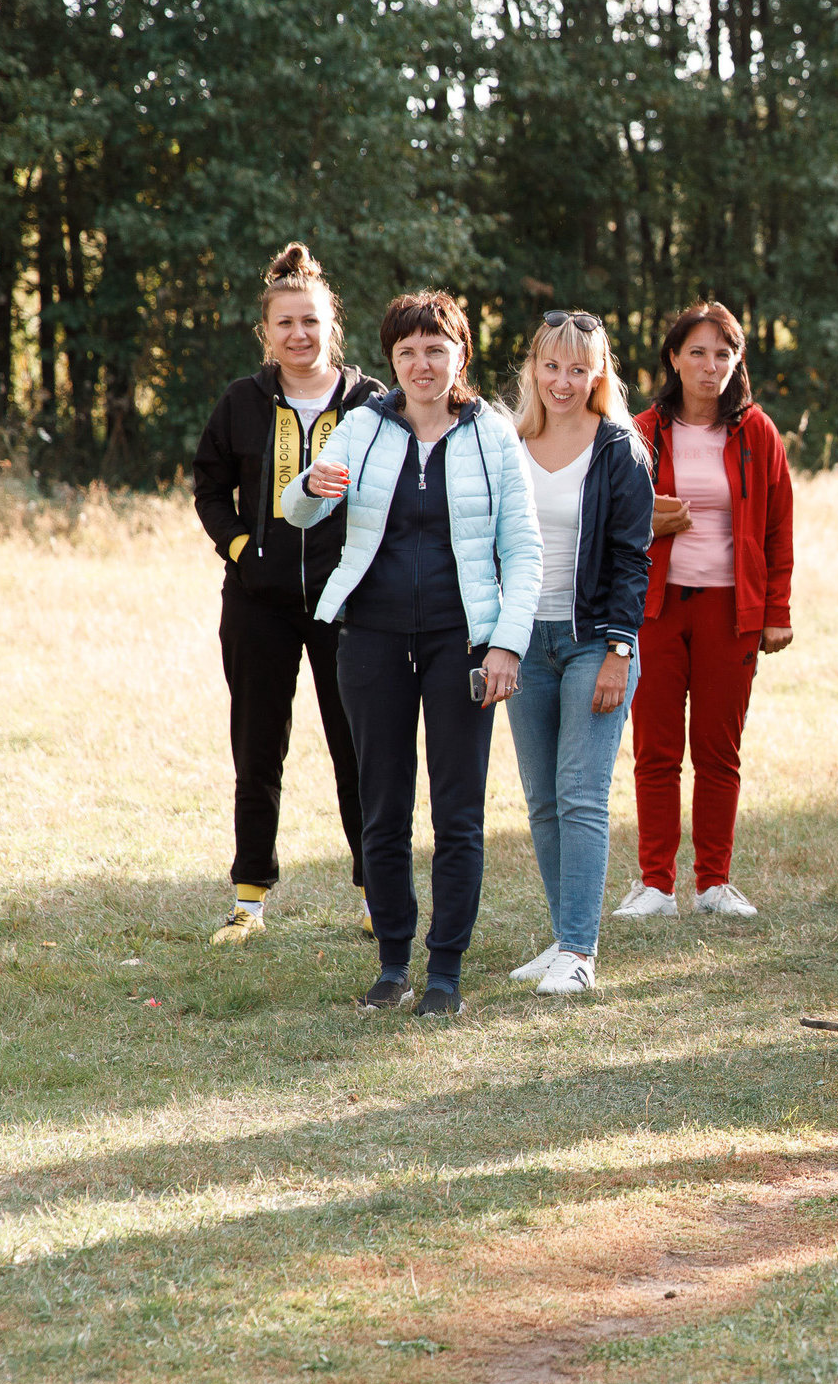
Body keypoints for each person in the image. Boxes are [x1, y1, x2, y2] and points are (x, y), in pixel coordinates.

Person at [283, 291, 542, 1017]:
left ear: (460, 354)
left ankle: (445, 972)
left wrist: (506, 646)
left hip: (464, 645)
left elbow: (525, 551)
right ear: (392, 360)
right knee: (382, 808)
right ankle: (393, 962)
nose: (422, 364)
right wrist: (308, 485)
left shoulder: (493, 435)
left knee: (458, 815)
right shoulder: (363, 426)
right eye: (407, 352)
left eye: (435, 349)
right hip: (370, 639)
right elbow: (299, 509)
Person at [191, 243, 382, 945]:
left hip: (348, 607)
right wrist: (244, 551)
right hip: (257, 605)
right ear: (266, 331)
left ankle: (377, 894)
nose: (299, 334)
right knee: (257, 749)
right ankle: (249, 901)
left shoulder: (371, 404)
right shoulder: (240, 402)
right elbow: (210, 488)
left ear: (332, 324)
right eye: (285, 323)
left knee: (359, 751)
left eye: (311, 320)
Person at [619, 303, 795, 920]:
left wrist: (776, 609)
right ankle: (656, 885)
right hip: (656, 610)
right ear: (673, 358)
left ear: (737, 361)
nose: (709, 365)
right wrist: (652, 522)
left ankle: (714, 883)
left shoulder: (757, 432)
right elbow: (610, 520)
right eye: (696, 352)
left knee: (719, 753)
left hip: (731, 611)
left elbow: (778, 528)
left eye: (723, 354)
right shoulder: (641, 431)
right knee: (656, 751)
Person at [502, 312, 655, 997]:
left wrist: (620, 649)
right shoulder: (509, 442)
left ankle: (580, 952)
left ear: (597, 376)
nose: (562, 381)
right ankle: (563, 935)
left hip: (595, 639)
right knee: (542, 800)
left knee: (581, 794)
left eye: (577, 368)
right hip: (523, 641)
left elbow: (632, 558)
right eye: (551, 366)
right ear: (534, 368)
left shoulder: (619, 448)